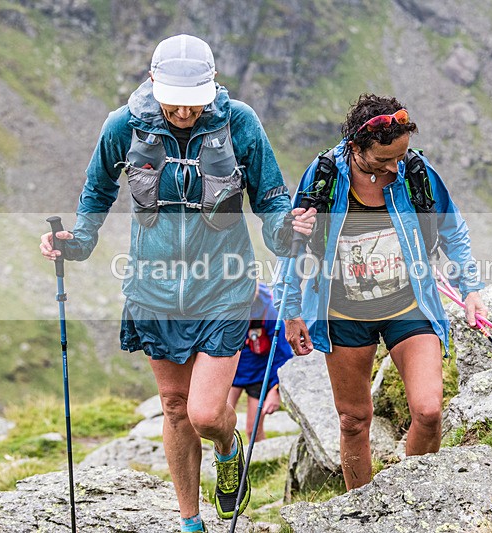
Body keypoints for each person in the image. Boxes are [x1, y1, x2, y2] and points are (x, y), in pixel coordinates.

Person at [39, 34, 315, 531]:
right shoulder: (122, 126)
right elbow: (96, 191)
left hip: (224, 289)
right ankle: (190, 522)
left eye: (194, 103)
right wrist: (74, 242)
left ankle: (229, 450)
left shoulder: (240, 123)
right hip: (154, 289)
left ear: (210, 89)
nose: (185, 113)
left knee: (207, 414)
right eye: (175, 102)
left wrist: (286, 229)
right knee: (173, 406)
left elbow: (272, 201)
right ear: (152, 82)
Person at [278, 93, 487, 491]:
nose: (395, 166)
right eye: (383, 160)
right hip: (342, 313)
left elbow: (453, 231)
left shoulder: (415, 171)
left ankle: (414, 497)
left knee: (428, 411)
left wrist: (471, 289)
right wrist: (291, 311)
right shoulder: (323, 177)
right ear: (355, 147)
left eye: (400, 156)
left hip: (410, 305)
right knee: (353, 420)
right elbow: (293, 245)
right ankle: (365, 510)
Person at [227, 282, 293, 442]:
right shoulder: (225, 304)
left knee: (253, 431)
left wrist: (275, 389)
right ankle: (228, 464)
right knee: (220, 423)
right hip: (232, 372)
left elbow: (282, 355)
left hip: (260, 375)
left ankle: (258, 464)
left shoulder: (270, 310)